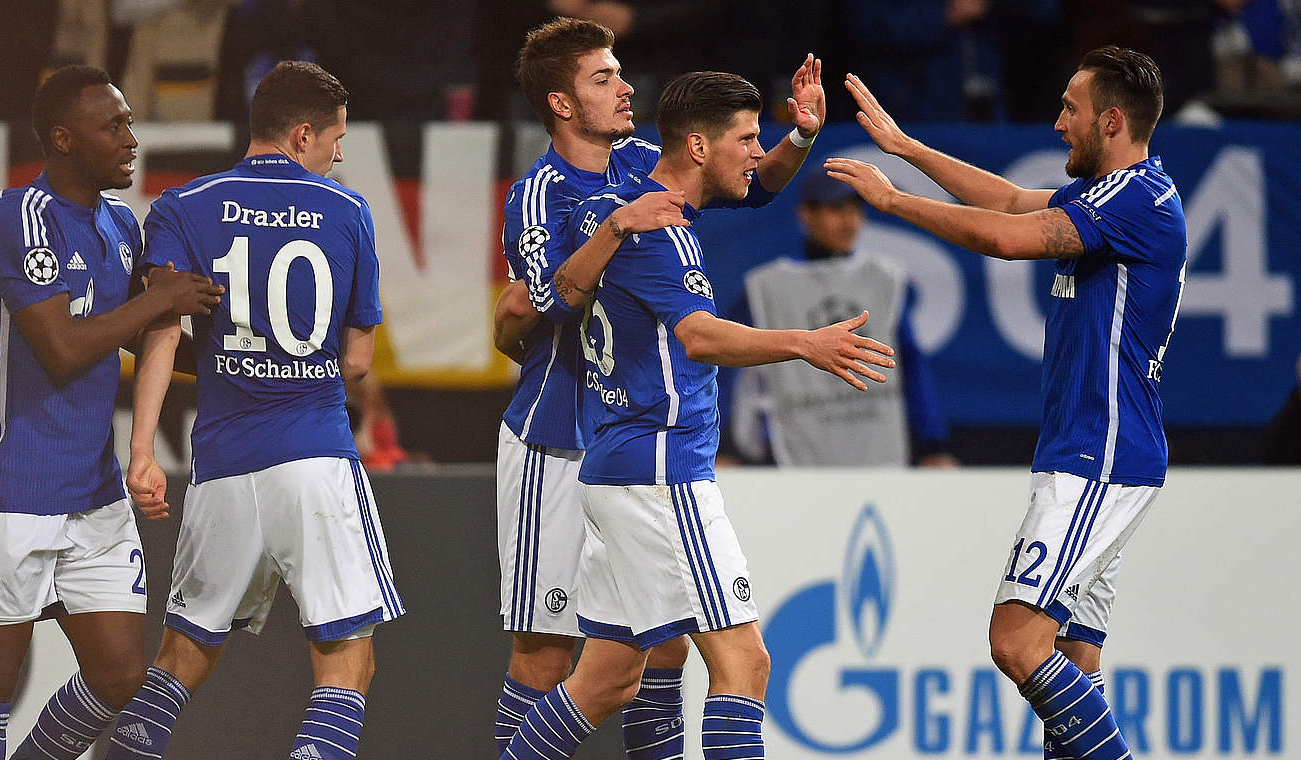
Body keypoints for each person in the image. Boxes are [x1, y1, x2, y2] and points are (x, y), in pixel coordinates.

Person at [499, 71, 896, 760]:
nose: (756, 152)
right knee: (745, 663)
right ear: (698, 146)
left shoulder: (624, 203)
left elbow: (756, 183)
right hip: (663, 471)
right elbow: (699, 337)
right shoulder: (661, 231)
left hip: (615, 468)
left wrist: (801, 135)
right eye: (747, 138)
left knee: (606, 677)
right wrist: (805, 343)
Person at [825, 46, 1186, 760]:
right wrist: (906, 148)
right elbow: (1012, 200)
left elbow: (1004, 236)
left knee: (1017, 641)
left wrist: (894, 201)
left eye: (1071, 110)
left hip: (1100, 454)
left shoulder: (1135, 200)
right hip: (1097, 450)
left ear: (1112, 122)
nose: (1057, 123)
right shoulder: (1120, 195)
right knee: (1072, 661)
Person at [105, 60, 399, 760]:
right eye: (335, 140)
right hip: (315, 457)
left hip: (223, 465)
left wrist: (141, 451)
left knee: (180, 658)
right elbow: (358, 362)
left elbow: (159, 327)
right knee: (346, 665)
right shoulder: (348, 211)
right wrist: (295, 365)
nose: (338, 156)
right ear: (302, 135)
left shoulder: (182, 205)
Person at [0, 64, 222, 760]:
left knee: (120, 676)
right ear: (64, 139)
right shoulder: (18, 217)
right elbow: (64, 348)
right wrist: (158, 300)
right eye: (114, 126)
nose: (131, 139)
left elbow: (131, 331)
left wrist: (243, 362)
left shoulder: (120, 222)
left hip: (94, 492)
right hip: (12, 488)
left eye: (129, 122)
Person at [730, 171, 958, 467]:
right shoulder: (767, 287)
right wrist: (726, 448)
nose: (849, 221)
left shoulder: (884, 278)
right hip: (798, 459)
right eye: (836, 209)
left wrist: (933, 445)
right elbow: (733, 370)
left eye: (855, 210)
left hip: (880, 455)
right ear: (805, 214)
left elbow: (911, 364)